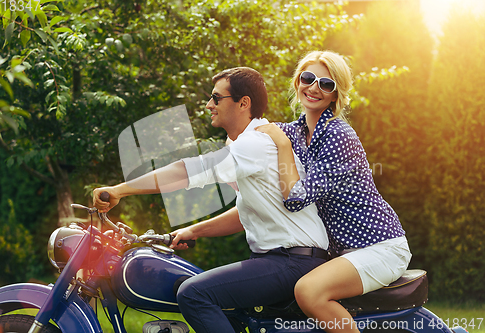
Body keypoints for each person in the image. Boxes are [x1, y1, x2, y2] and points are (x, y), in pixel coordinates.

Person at [93, 67, 330, 333]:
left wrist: (120, 190)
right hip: (281, 259)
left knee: (194, 294)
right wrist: (194, 230)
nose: (209, 105)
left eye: (216, 98)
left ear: (243, 103)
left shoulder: (255, 143)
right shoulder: (241, 143)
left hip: (291, 261)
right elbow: (246, 213)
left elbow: (187, 172)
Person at [255, 51, 412, 333]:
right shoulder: (295, 132)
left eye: (326, 84)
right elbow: (247, 137)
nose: (314, 87)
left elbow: (296, 198)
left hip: (380, 247)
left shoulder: (339, 135)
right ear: (297, 82)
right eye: (308, 78)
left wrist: (280, 147)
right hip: (345, 253)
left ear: (335, 94)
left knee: (308, 292)